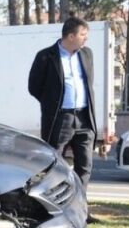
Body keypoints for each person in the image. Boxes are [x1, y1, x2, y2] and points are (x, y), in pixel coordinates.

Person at [28, 17, 97, 189]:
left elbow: (88, 83)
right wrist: (53, 103)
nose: (86, 39)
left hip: (84, 117)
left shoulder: (87, 54)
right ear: (71, 36)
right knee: (53, 163)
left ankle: (81, 210)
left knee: (85, 165)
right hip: (60, 118)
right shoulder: (46, 56)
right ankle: (55, 206)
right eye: (83, 35)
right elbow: (34, 87)